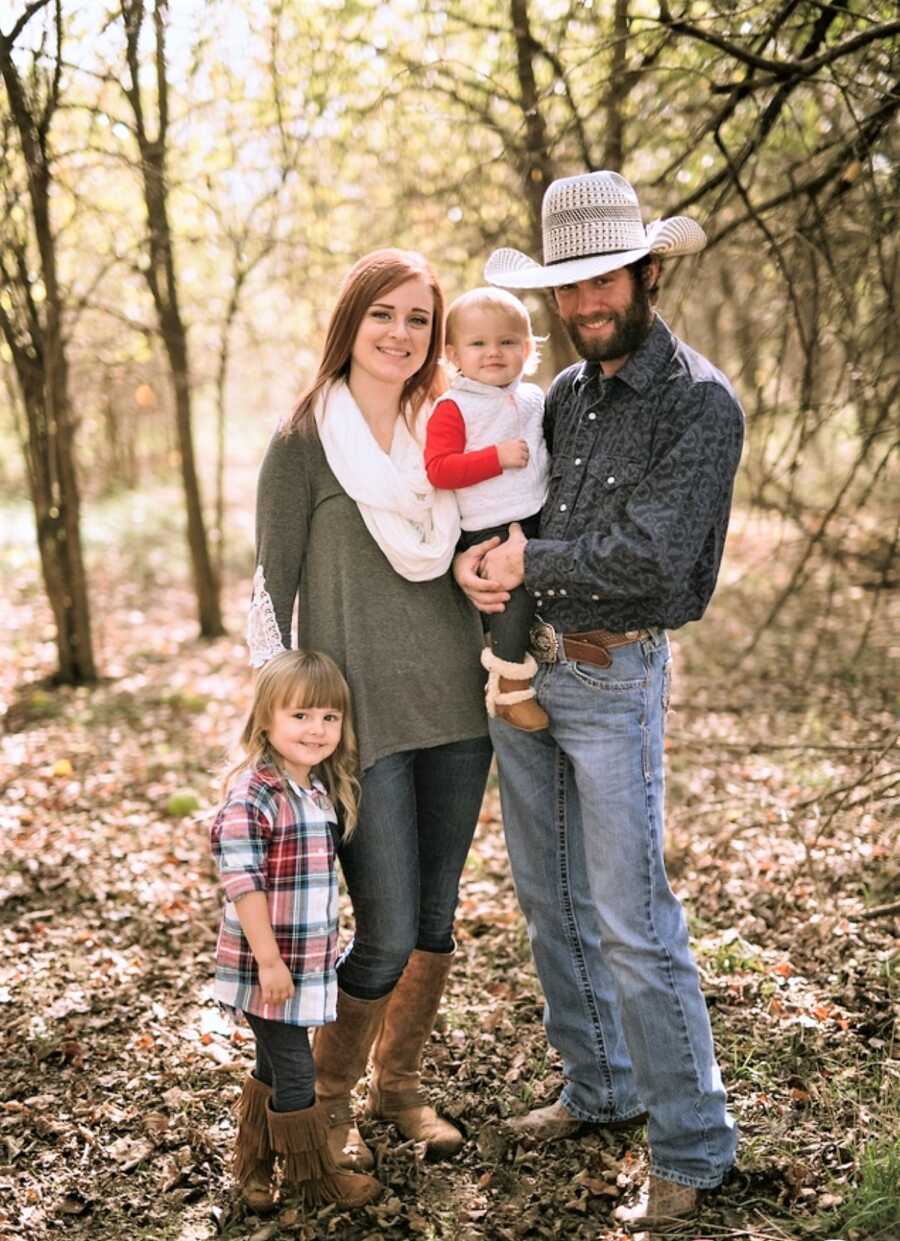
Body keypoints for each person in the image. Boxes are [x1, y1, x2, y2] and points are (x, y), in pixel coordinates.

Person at [455, 171, 742, 1230]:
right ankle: (600, 1084)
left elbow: (661, 562)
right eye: (566, 289)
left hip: (614, 675)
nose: (584, 306)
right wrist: (487, 566)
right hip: (528, 668)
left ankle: (694, 1143)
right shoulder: (564, 397)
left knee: (631, 917)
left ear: (649, 271)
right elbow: (510, 514)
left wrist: (529, 558)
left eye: (603, 282)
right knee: (550, 896)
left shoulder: (700, 403)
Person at [247, 250, 492, 1173]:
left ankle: (401, 1088)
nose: (401, 333)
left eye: (419, 318)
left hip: (460, 712)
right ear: (351, 321)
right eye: (383, 314)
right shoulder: (305, 440)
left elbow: (487, 537)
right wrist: (283, 740)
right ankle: (325, 1100)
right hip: (359, 728)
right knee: (384, 927)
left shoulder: (450, 426)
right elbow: (272, 594)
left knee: (435, 915)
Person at [210, 649, 380, 1211]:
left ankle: (253, 1170)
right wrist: (269, 962)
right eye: (301, 716)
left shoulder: (314, 790)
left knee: (271, 1062)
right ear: (266, 719)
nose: (317, 729)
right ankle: (314, 1179)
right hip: (268, 964)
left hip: (301, 963)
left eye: (329, 717)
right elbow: (243, 884)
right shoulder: (255, 792)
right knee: (296, 1070)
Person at [424, 287, 550, 731]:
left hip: (536, 514)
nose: (493, 353)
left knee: (537, 594)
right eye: (478, 344)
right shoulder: (454, 407)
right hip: (489, 524)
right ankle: (508, 686)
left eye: (507, 342)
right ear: (454, 354)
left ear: (528, 348)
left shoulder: (535, 397)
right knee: (510, 600)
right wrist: (494, 457)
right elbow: (439, 469)